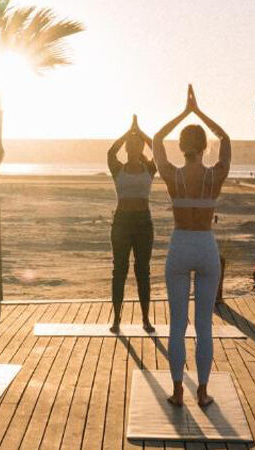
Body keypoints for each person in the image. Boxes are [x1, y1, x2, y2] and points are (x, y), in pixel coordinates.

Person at [152, 85, 231, 408]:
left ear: (183, 147)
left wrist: (184, 113)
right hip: (206, 246)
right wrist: (199, 112)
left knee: (177, 324)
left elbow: (156, 139)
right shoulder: (216, 175)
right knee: (203, 325)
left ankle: (176, 391)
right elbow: (225, 140)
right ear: (203, 147)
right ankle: (202, 390)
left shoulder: (172, 175)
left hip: (181, 243)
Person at [107, 115, 157, 334]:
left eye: (137, 145)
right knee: (120, 270)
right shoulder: (118, 169)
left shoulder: (150, 169)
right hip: (122, 223)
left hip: (143, 223)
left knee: (142, 271)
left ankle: (146, 319)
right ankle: (116, 319)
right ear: (127, 148)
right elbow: (110, 152)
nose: (134, 149)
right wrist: (129, 132)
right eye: (131, 146)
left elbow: (157, 148)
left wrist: (140, 131)